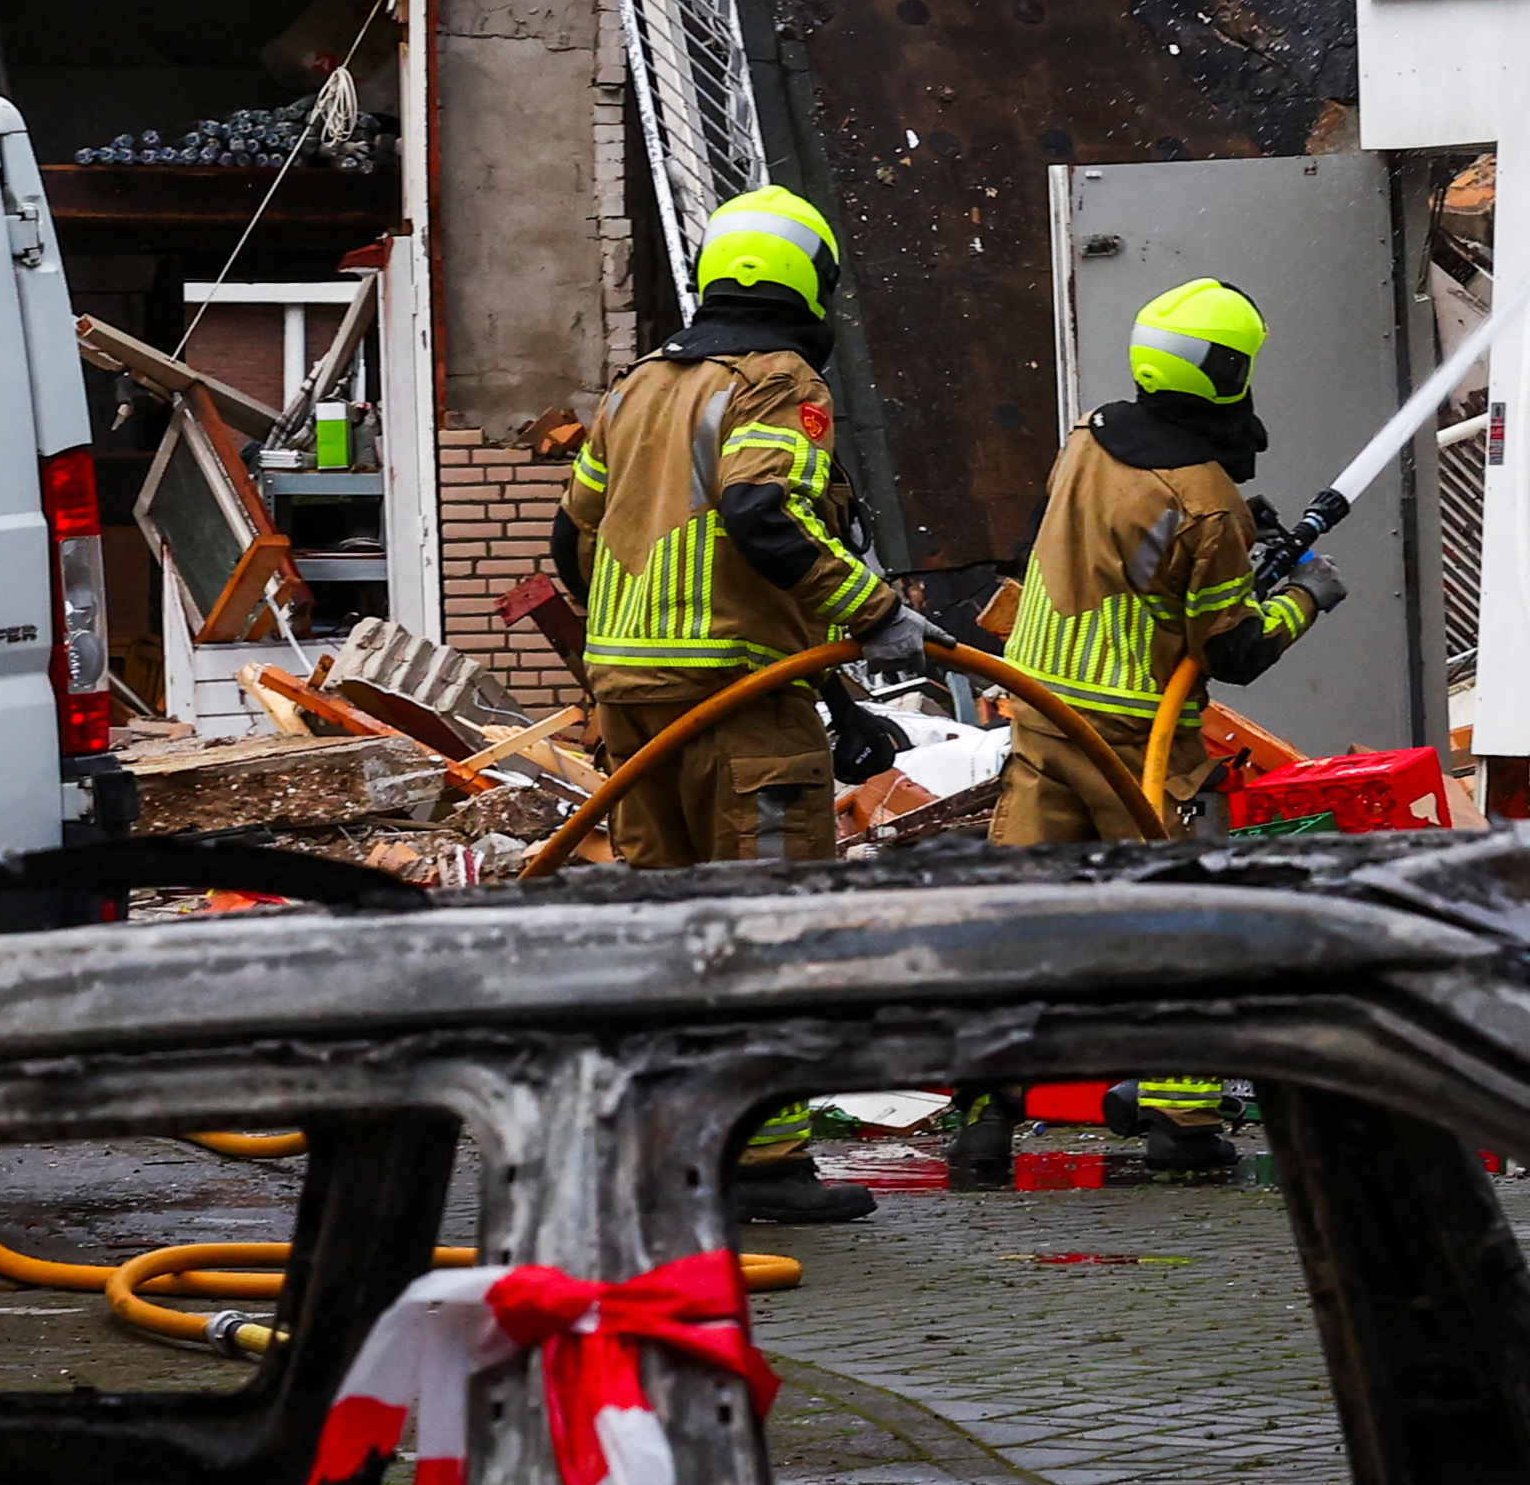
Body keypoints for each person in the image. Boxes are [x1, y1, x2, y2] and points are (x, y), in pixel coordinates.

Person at [557, 182, 919, 1224]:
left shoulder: (636, 389)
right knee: (765, 928)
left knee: (663, 929)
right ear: (810, 280)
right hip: (733, 700)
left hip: (628, 697)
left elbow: (567, 536)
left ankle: (662, 1152)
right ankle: (763, 1168)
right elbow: (765, 517)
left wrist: (637, 638)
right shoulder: (774, 380)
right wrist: (874, 611)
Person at [955, 276, 1344, 1189]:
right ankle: (1180, 1118)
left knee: (1015, 929)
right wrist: (1306, 597)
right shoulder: (1208, 502)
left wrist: (1248, 539)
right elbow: (1233, 650)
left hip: (1044, 721)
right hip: (1140, 746)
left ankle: (983, 1114)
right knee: (1184, 922)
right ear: (1228, 372)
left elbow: (1126, 552)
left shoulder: (1088, 438)